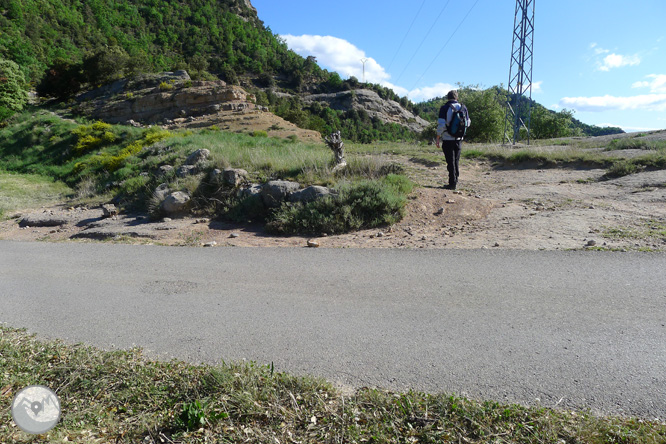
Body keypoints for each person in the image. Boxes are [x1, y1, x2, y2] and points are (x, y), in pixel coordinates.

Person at [436, 90, 470, 190]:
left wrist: (438, 137)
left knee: (450, 161)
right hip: (459, 139)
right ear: (457, 97)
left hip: (447, 138)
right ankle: (456, 180)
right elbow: (468, 123)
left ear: (448, 97)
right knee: (456, 160)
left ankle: (452, 183)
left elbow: (441, 125)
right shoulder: (463, 108)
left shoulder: (444, 108)